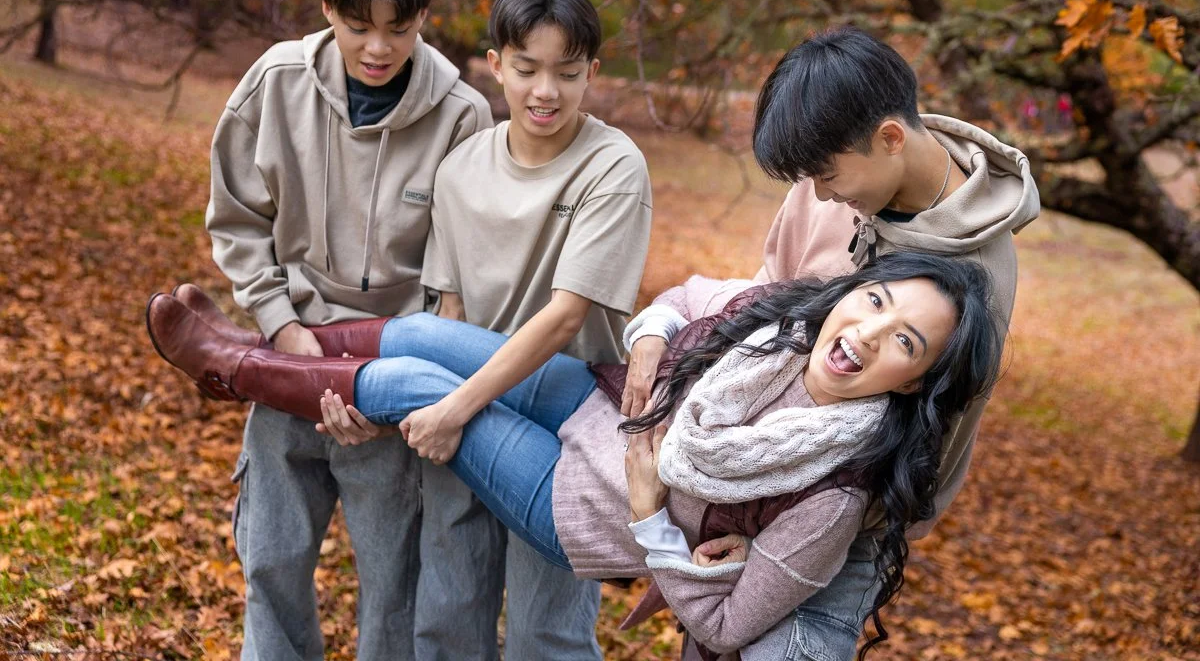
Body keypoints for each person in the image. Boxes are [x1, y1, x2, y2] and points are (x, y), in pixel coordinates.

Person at [145, 252, 1004, 660]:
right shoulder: (786, 318)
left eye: (905, 342)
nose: (867, 333)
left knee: (413, 383)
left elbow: (723, 628)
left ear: (915, 383)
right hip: (601, 405)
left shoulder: (835, 494)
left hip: (579, 505)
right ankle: (252, 346)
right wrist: (652, 337)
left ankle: (234, 369)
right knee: (425, 334)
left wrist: (650, 514)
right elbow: (685, 296)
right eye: (876, 301)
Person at [620, 25, 1040, 659]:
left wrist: (780, 530)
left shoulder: (978, 270)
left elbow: (933, 439)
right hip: (742, 479)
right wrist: (662, 324)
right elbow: (766, 296)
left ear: (890, 139)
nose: (818, 194)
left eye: (826, 176)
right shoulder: (838, 162)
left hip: (840, 525)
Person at [202, 0, 492, 660]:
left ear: (423, 17)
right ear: (327, 7)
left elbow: (456, 277)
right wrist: (280, 324)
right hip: (289, 353)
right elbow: (237, 218)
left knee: (393, 585)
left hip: (393, 376)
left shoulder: (463, 115)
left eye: (398, 28)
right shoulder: (275, 81)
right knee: (270, 560)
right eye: (358, 26)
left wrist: (388, 389)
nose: (377, 47)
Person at [352, 0, 652, 660]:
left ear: (592, 73)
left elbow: (566, 315)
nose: (546, 91)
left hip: (564, 424)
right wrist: (452, 413)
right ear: (495, 65)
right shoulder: (460, 169)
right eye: (526, 69)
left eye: (567, 73)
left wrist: (453, 407)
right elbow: (450, 312)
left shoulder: (613, 166)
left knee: (544, 635)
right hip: (463, 410)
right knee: (447, 616)